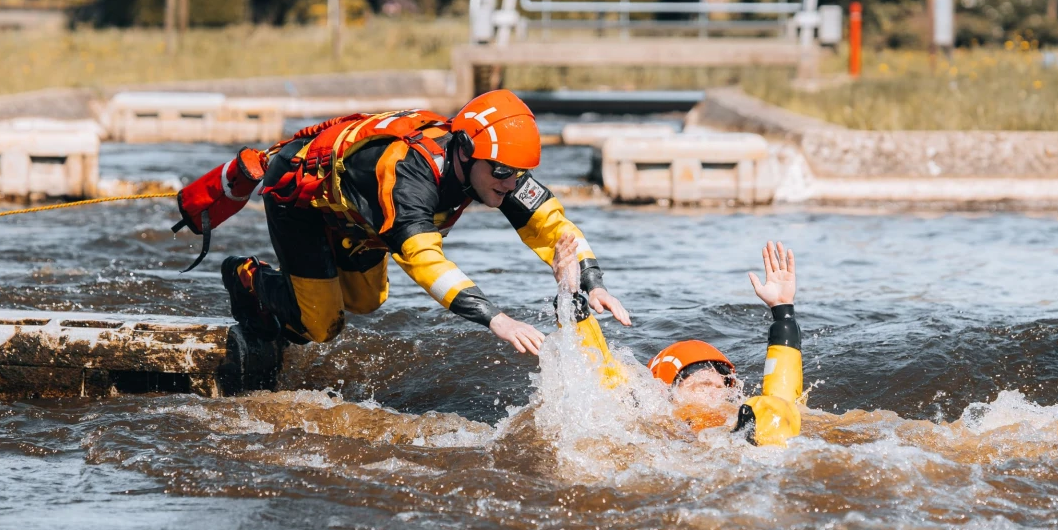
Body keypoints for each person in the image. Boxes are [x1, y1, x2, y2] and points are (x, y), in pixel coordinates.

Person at [219, 90, 632, 354]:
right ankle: (249, 277)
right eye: (504, 172)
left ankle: (297, 294)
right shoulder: (408, 178)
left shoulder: (498, 170)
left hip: (357, 218)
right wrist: (497, 319)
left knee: (366, 301)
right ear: (467, 151)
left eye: (519, 174)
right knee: (322, 325)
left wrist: (593, 281)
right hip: (302, 201)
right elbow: (424, 261)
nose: (512, 184)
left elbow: (550, 224)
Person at [555, 235, 805, 446]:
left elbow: (782, 397)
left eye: (719, 383)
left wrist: (783, 312)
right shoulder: (653, 421)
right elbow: (599, 366)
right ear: (665, 392)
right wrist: (571, 299)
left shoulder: (748, 415)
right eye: (697, 383)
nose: (711, 388)